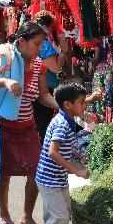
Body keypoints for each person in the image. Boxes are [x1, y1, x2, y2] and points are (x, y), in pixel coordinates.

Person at [0, 22, 59, 224]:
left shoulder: (39, 65)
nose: (40, 49)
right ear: (21, 41)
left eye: (42, 44)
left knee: (36, 172)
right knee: (4, 174)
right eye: (37, 44)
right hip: (2, 126)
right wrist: (3, 81)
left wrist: (64, 106)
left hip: (27, 127)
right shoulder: (4, 57)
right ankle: (4, 214)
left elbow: (43, 95)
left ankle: (26, 217)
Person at [30, 84, 91, 224]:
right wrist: (76, 170)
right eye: (82, 103)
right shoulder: (62, 123)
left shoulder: (67, 120)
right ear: (67, 104)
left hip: (56, 178)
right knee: (61, 216)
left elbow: (70, 146)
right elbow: (52, 152)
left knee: (56, 214)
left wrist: (82, 158)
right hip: (50, 179)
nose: (84, 106)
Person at [33, 11, 69, 142]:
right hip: (44, 88)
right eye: (51, 27)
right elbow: (55, 68)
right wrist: (64, 52)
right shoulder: (44, 45)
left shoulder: (34, 42)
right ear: (46, 27)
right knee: (43, 124)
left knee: (38, 123)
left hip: (34, 87)